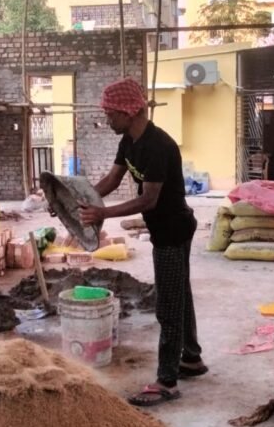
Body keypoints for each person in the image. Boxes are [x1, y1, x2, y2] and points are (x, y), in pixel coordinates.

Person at [78, 78, 207, 407]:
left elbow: (149, 200)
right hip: (166, 227)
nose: (107, 120)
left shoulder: (158, 146)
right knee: (181, 292)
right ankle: (191, 357)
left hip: (173, 231)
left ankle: (167, 381)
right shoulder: (129, 141)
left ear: (127, 111)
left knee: (168, 304)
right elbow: (111, 179)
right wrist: (78, 200)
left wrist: (102, 213)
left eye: (110, 114)